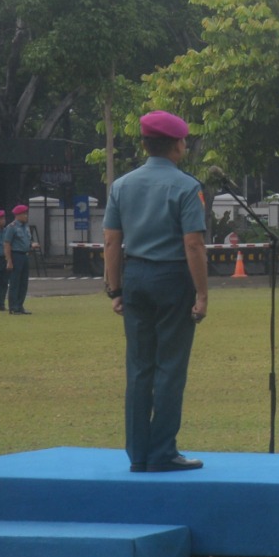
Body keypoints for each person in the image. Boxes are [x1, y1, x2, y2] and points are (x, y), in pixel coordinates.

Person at [102, 110, 210, 474]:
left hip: (135, 276)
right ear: (177, 145)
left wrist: (115, 288)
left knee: (139, 367)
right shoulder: (186, 186)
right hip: (173, 277)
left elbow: (111, 241)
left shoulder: (122, 185)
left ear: (146, 144)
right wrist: (202, 294)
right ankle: (163, 451)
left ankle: (138, 453)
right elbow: (193, 244)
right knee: (170, 367)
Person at [2, 203, 36, 313]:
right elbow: (7, 244)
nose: (26, 216)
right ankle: (13, 307)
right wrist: (9, 260)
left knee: (23, 283)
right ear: (18, 215)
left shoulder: (25, 227)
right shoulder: (12, 227)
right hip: (16, 255)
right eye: (24, 214)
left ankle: (20, 306)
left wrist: (31, 245)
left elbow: (25, 241)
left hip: (25, 255)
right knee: (15, 282)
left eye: (26, 214)